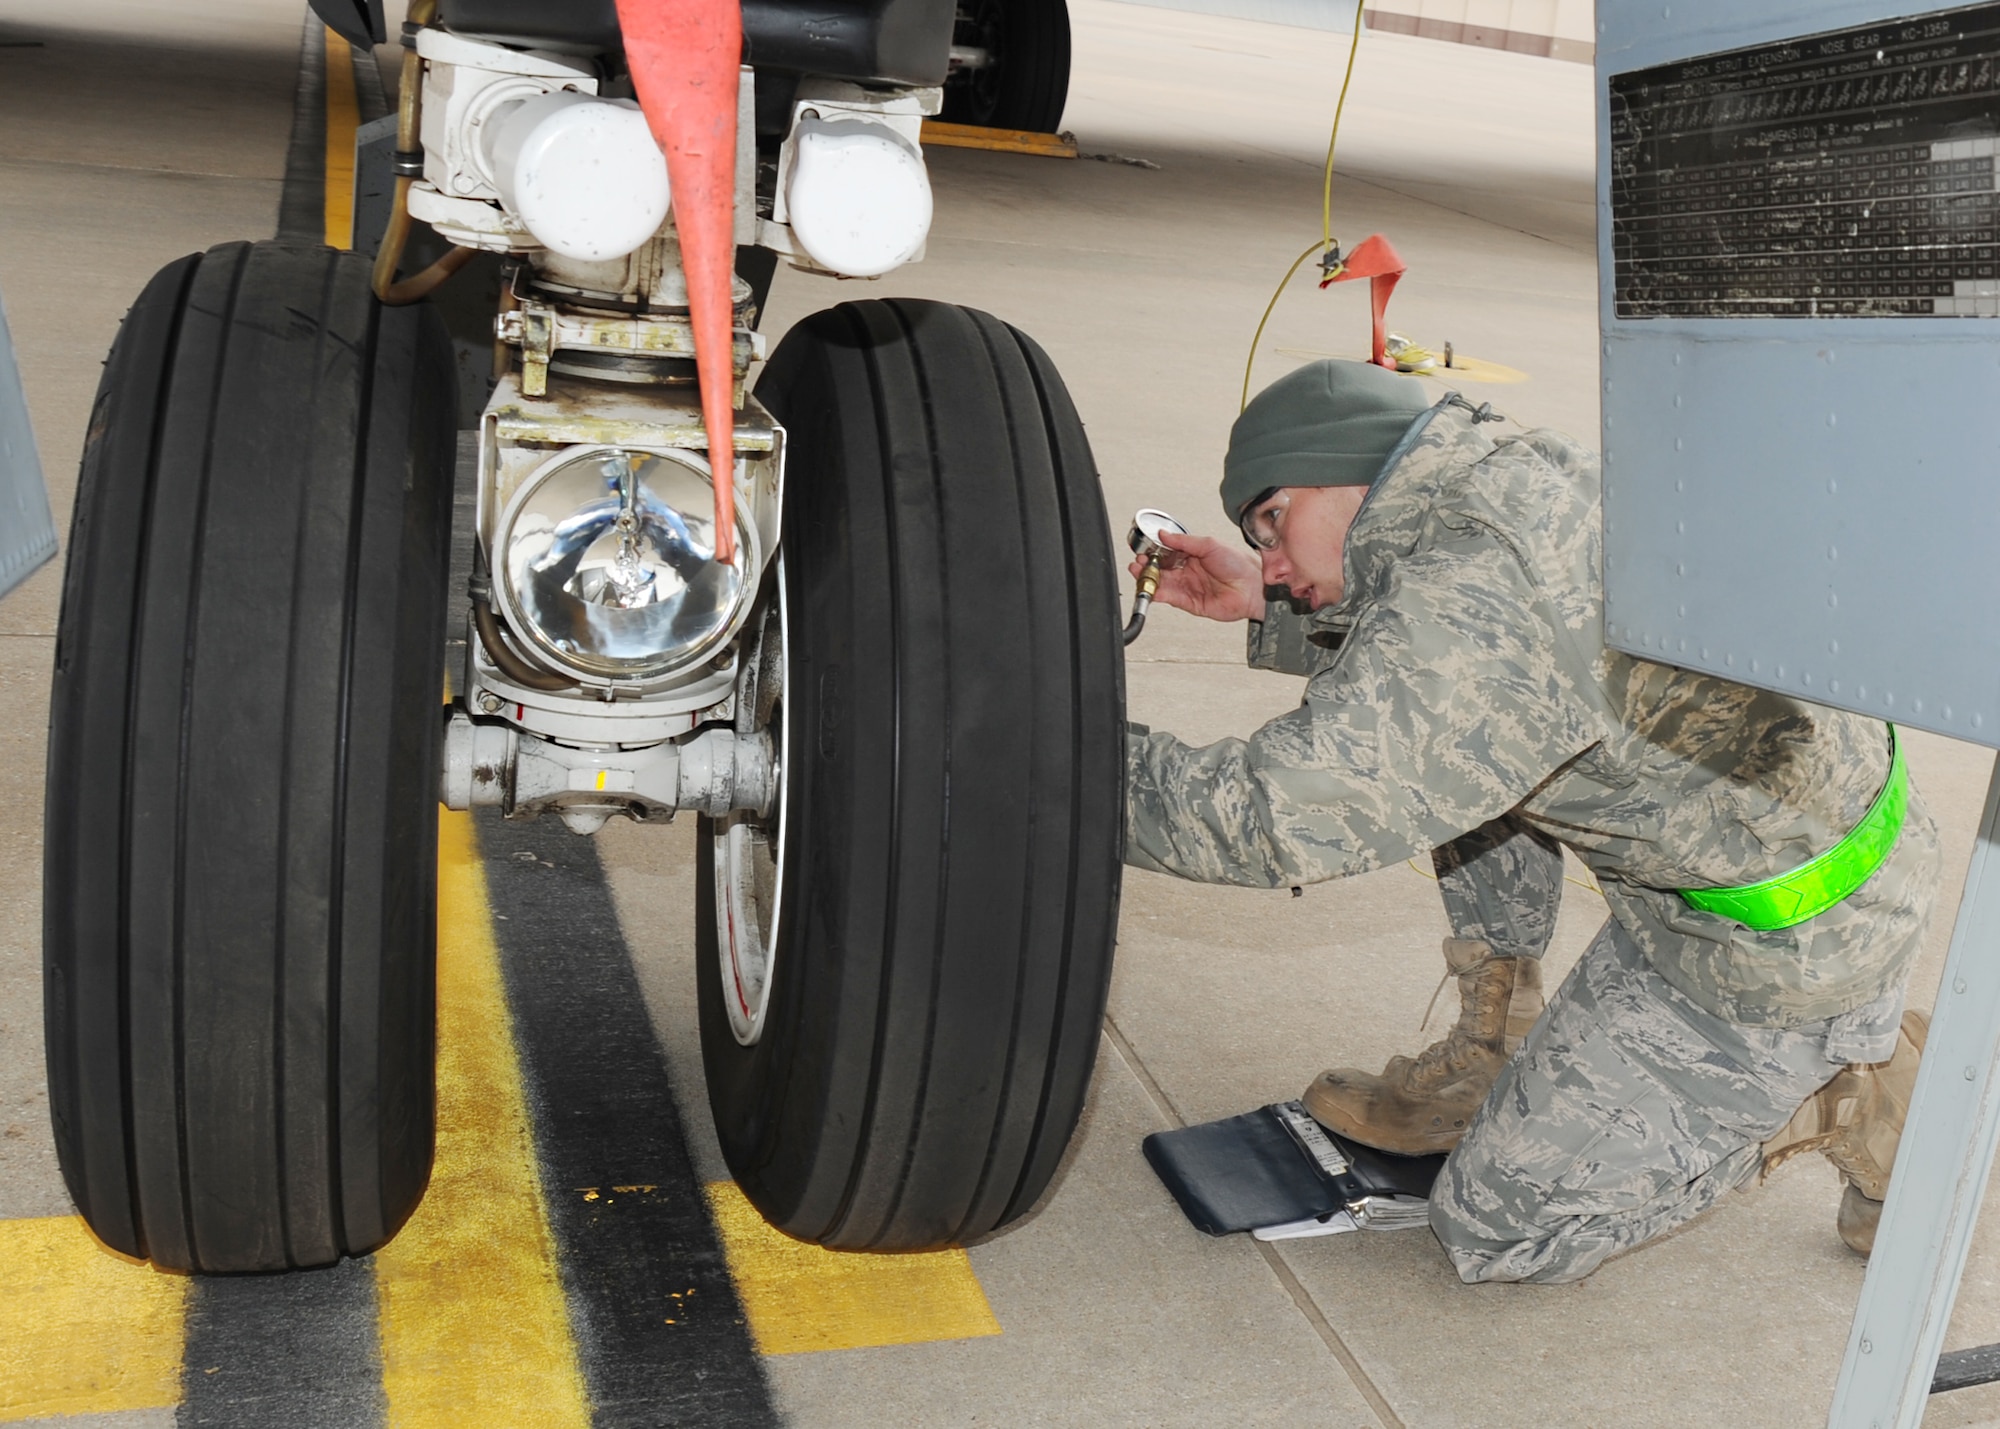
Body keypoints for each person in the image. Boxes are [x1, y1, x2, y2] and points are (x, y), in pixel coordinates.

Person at [1127, 359, 1940, 1285]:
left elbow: (1272, 818)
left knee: (1495, 1229)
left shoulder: (1485, 590)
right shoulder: (1490, 479)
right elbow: (1451, 664)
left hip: (1785, 955)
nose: (1270, 559)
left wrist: (1053, 770)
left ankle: (1845, 1086)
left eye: (1272, 521)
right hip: (1731, 859)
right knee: (1448, 757)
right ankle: (1492, 1043)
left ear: (1346, 465)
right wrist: (1268, 599)